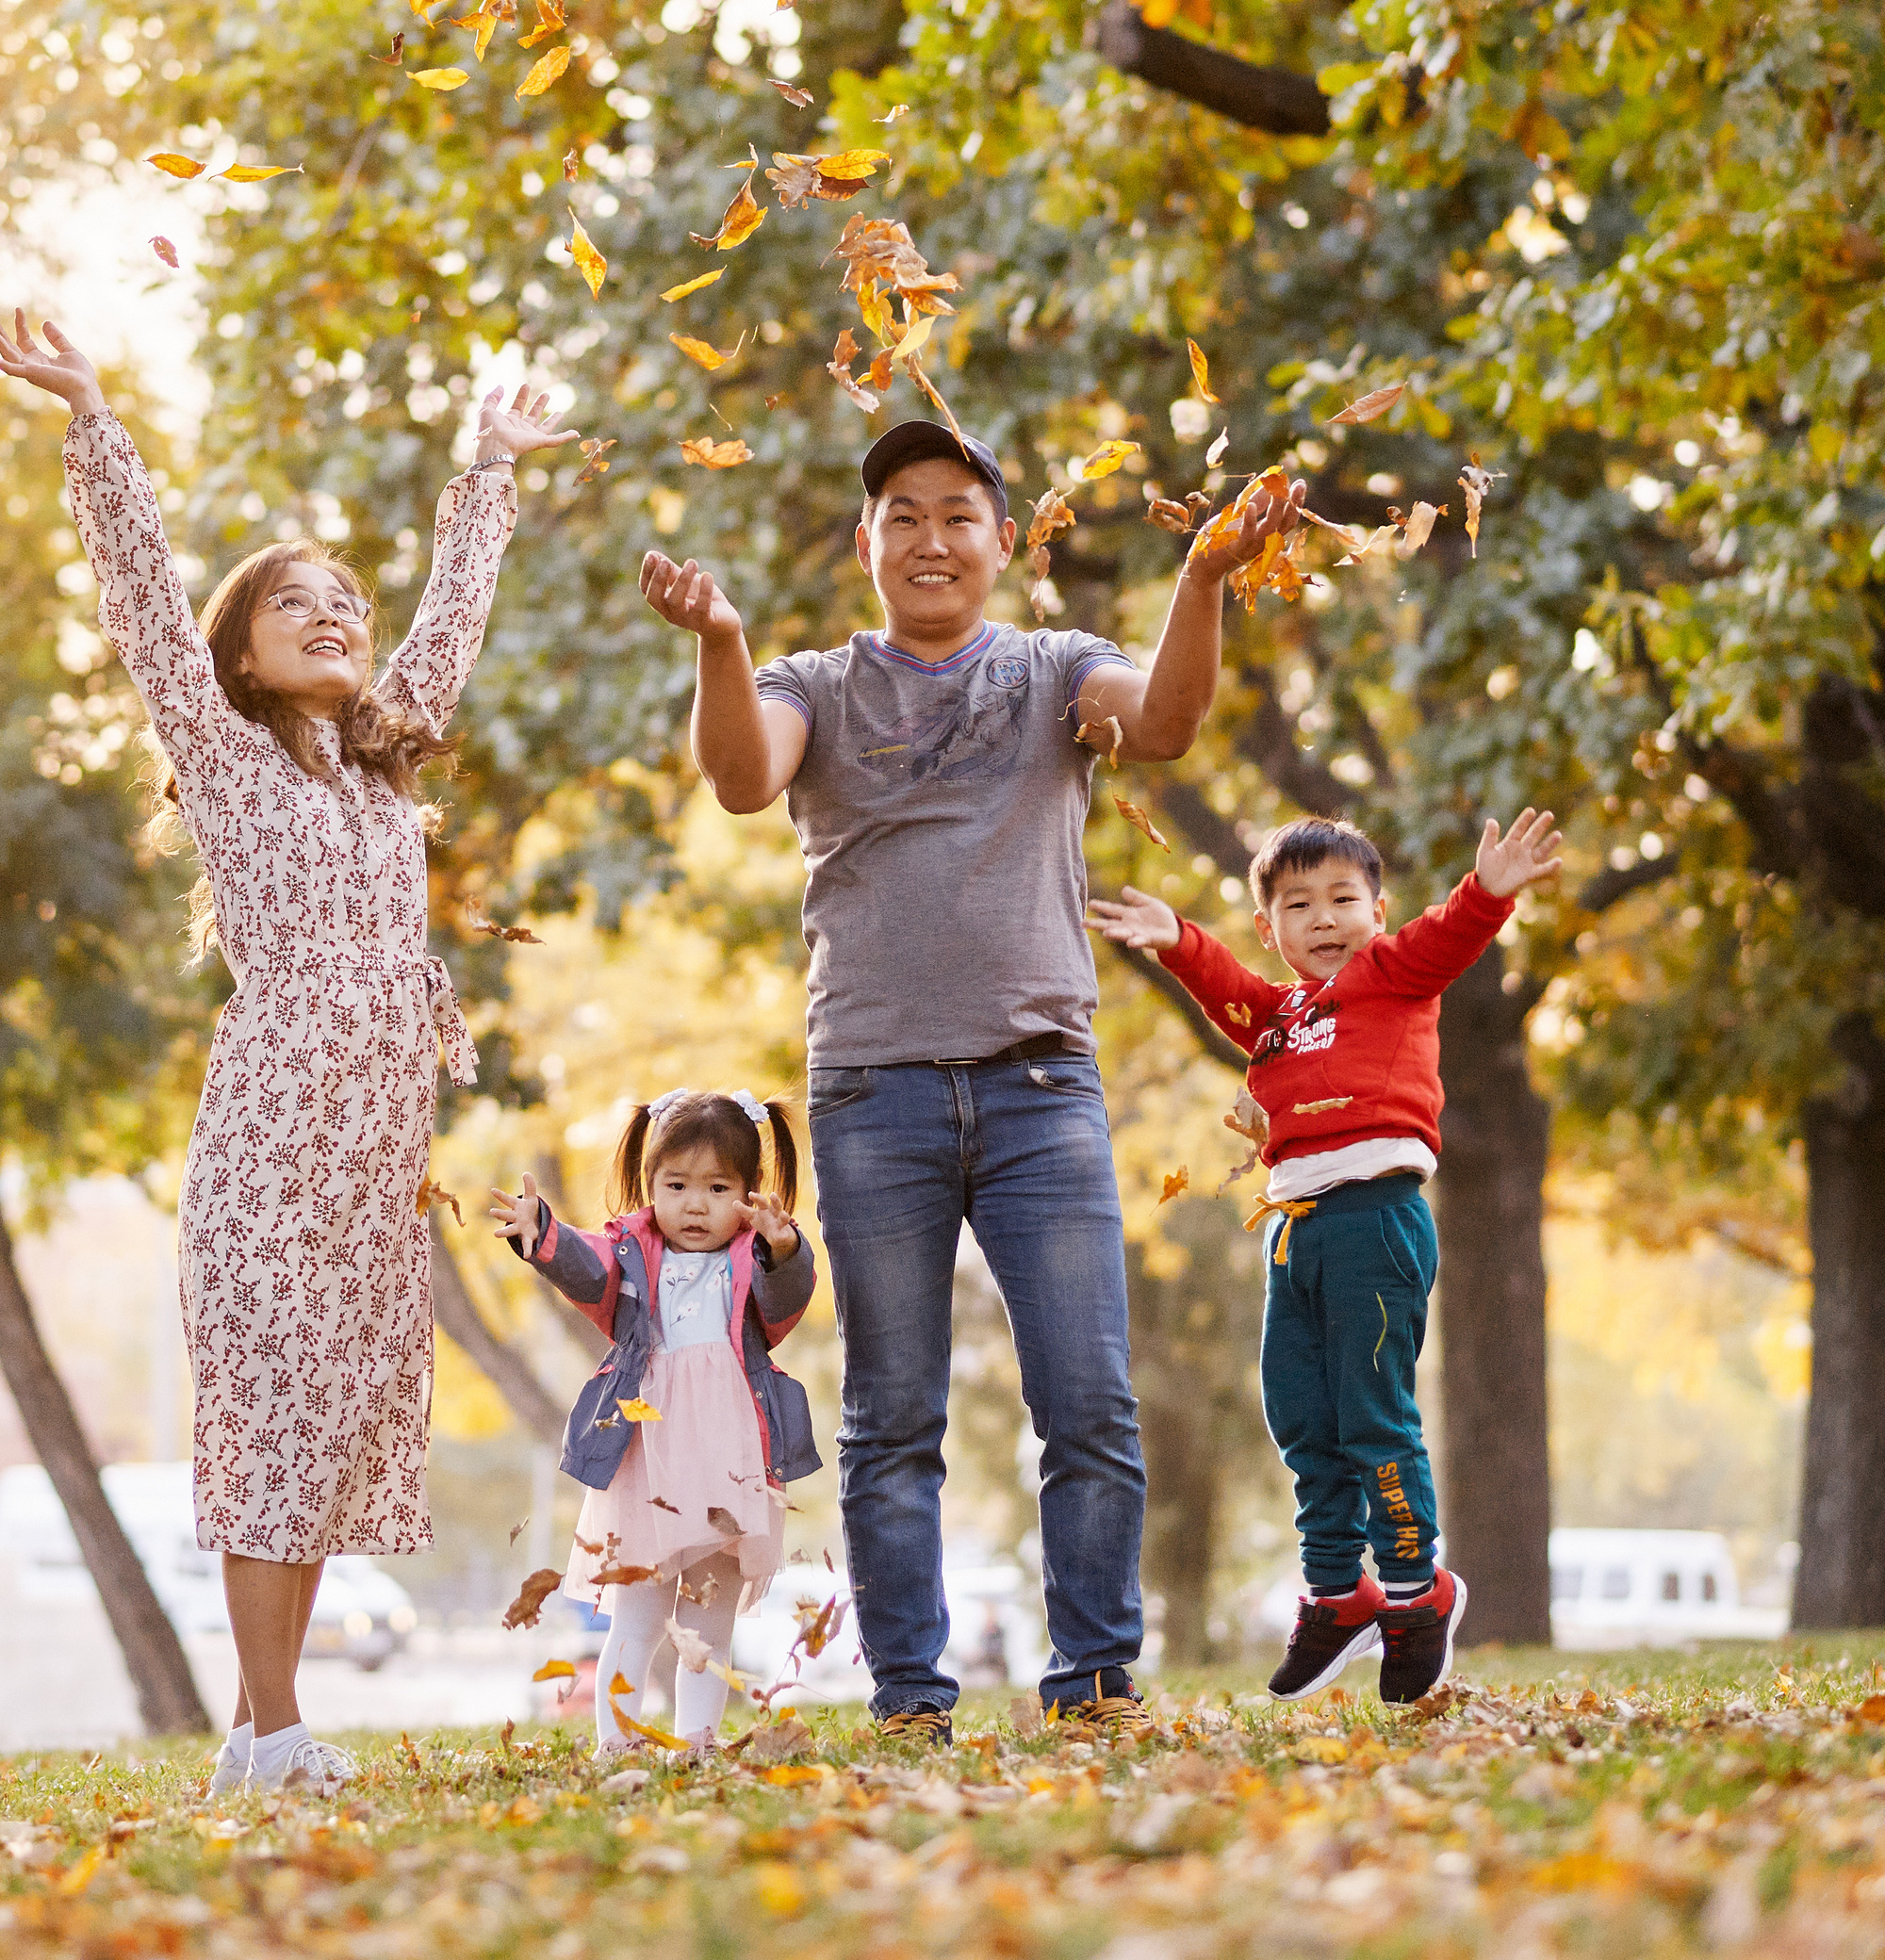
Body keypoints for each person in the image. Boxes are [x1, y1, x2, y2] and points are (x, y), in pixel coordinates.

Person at [0, 309, 577, 1794]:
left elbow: (448, 627)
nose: (332, 615)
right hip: (269, 1146)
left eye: (344, 602)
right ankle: (274, 1727)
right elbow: (139, 595)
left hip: (376, 1160)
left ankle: (264, 1735)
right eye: (292, 603)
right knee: (268, 1420)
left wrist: (489, 467)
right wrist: (94, 418)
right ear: (238, 654)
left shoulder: (381, 772)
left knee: (330, 1429)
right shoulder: (228, 755)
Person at [639, 419, 1304, 1741]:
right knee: (892, 1415)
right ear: (866, 544)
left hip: (1038, 1087)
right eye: (903, 514)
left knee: (1088, 1400)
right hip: (871, 1090)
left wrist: (1203, 578)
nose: (931, 538)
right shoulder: (814, 684)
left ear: (1005, 541)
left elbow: (1167, 724)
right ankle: (908, 1697)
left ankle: (1095, 1682)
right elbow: (740, 777)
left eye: (958, 515)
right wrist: (719, 639)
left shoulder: (1056, 670)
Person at [1089, 808, 1565, 1703]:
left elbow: (1446, 937)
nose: (1325, 919)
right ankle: (1339, 1592)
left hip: (1373, 1219)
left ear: (1377, 912)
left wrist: (1487, 893)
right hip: (1295, 1230)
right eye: (1299, 905)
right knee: (1302, 1416)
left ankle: (1416, 1590)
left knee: (1371, 1414)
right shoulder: (1278, 1017)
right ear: (1270, 928)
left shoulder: (1391, 975)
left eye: (1344, 899)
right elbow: (1231, 990)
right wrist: (1178, 941)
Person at [490, 1090, 820, 1752]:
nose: (695, 1205)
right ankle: (616, 1741)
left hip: (727, 1465)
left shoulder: (755, 1258)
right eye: (677, 1185)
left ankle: (697, 1740)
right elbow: (585, 1265)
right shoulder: (632, 1254)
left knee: (708, 1621)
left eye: (717, 1188)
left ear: (748, 1192)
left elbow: (786, 1303)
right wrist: (541, 1233)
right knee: (637, 1618)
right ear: (650, 1185)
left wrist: (784, 1248)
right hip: (647, 1462)